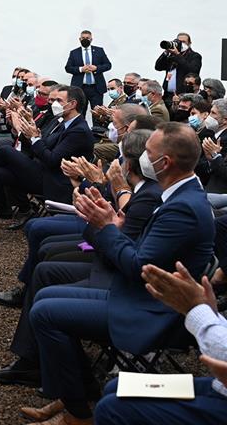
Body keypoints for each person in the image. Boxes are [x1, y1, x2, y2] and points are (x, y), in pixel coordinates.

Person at [25, 123, 215, 425]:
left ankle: (77, 416)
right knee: (46, 295)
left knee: (46, 313)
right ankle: (80, 392)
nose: (138, 159)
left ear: (164, 163)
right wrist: (112, 222)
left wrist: (108, 227)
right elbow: (142, 254)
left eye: (147, 154)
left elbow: (139, 267)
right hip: (138, 294)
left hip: (155, 310)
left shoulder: (183, 208)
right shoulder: (179, 195)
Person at [0, 85, 94, 242]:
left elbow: (51, 160)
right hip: (43, 172)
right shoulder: (60, 121)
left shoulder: (79, 130)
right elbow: (41, 145)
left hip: (56, 182)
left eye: (58, 100)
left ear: (72, 104)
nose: (53, 103)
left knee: (5, 151)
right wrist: (30, 130)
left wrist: (35, 138)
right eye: (53, 99)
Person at [93, 261, 227, 423]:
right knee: (117, 387)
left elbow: (137, 263)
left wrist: (195, 309)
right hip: (222, 386)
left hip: (147, 310)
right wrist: (210, 314)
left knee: (111, 409)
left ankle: (76, 412)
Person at [64, 30, 111, 112]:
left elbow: (108, 65)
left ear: (91, 39)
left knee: (97, 113)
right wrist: (81, 69)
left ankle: (96, 126)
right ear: (79, 39)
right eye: (83, 38)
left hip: (96, 88)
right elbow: (68, 68)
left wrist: (96, 68)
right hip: (80, 88)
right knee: (79, 113)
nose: (85, 39)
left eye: (87, 38)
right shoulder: (74, 53)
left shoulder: (99, 51)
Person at [155, 32, 202, 105]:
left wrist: (178, 55)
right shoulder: (171, 55)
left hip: (184, 95)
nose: (181, 43)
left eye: (183, 42)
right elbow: (158, 67)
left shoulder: (194, 56)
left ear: (189, 43)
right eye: (179, 41)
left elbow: (193, 71)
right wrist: (166, 53)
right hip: (168, 95)